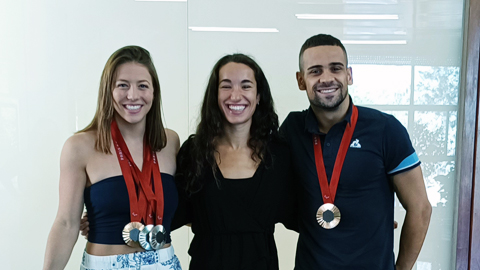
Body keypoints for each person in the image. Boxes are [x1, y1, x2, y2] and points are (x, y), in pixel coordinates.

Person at [279, 34, 432, 270]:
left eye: (335, 68)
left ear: (349, 75)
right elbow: (273, 193)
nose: (326, 78)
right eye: (315, 71)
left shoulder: (385, 129)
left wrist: (401, 269)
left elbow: (420, 208)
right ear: (301, 80)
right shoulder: (292, 130)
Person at [43, 46, 182, 270]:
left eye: (143, 86)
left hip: (164, 262)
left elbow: (186, 207)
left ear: (154, 92)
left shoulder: (170, 142)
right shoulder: (80, 147)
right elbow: (66, 223)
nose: (133, 95)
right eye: (123, 85)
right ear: (108, 90)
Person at [171, 53, 298, 270]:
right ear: (215, 95)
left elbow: (300, 211)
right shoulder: (194, 152)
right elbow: (173, 211)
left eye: (246, 86)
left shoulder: (280, 154)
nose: (236, 95)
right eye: (226, 86)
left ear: (258, 96)